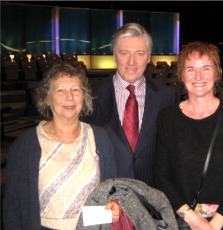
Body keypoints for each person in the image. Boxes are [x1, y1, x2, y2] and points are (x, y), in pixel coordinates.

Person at [2, 63, 120, 230]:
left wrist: (114, 205)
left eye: (75, 90)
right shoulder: (25, 145)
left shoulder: (100, 138)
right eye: (60, 90)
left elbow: (112, 191)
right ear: (47, 98)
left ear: (84, 96)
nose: (70, 97)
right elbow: (12, 207)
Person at [154, 41, 223, 230]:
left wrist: (214, 225)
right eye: (190, 69)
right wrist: (193, 219)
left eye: (206, 68)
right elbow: (161, 175)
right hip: (182, 221)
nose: (198, 76)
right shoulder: (167, 118)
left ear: (217, 73)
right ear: (181, 75)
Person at [83, 22, 176, 186]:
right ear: (114, 55)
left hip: (152, 197)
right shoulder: (91, 96)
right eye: (124, 53)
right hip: (108, 197)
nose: (131, 62)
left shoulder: (167, 97)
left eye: (140, 53)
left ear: (148, 57)